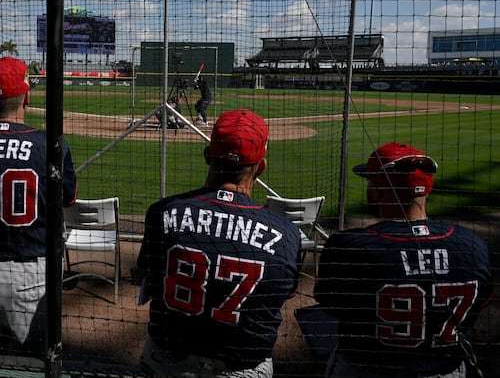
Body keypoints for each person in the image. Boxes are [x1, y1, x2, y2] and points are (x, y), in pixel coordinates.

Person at [137, 109, 301, 377]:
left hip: (166, 363)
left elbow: (149, 277)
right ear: (261, 166)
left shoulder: (162, 213)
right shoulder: (286, 234)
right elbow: (281, 296)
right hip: (241, 369)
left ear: (207, 156)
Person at [314, 142, 493, 378]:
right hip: (446, 371)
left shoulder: (349, 246)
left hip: (367, 371)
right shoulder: (471, 244)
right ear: (427, 189)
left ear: (377, 191)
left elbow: (331, 305)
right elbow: (481, 303)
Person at [0, 56, 78, 357]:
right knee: (30, 363)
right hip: (29, 272)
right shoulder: (50, 144)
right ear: (27, 96)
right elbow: (67, 199)